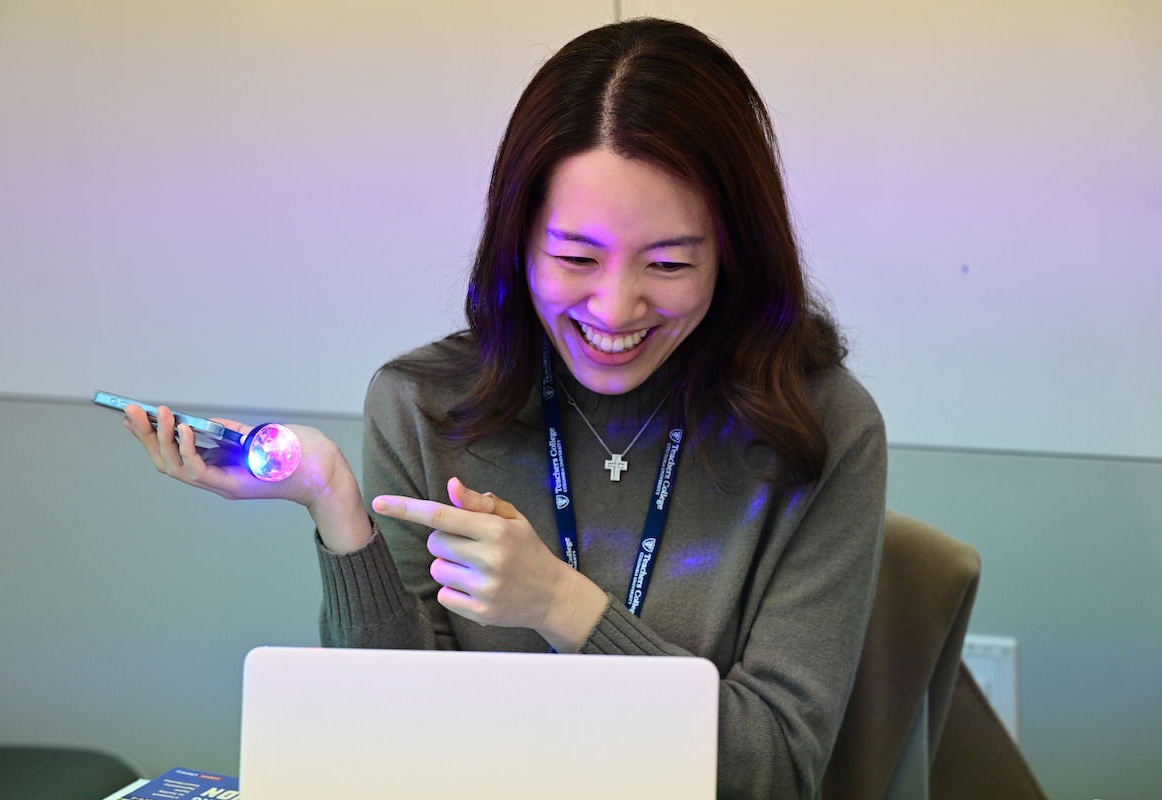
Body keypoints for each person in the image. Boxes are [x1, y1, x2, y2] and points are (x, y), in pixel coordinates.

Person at [122, 17, 886, 799]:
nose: (616, 308)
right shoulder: (424, 403)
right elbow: (384, 743)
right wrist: (332, 504)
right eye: (576, 257)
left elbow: (779, 771)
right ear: (517, 242)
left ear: (734, 251)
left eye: (668, 262)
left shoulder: (822, 428)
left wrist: (561, 604)